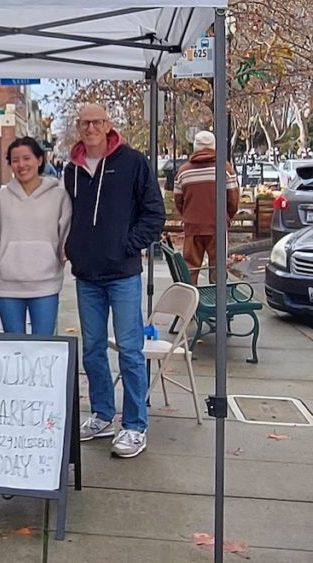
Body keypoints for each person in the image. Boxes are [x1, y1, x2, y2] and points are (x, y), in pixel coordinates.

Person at [64, 104, 164, 459]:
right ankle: (103, 414)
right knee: (92, 350)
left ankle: (135, 425)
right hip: (86, 276)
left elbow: (155, 213)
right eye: (84, 122)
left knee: (131, 352)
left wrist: (127, 244)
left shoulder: (133, 162)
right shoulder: (71, 170)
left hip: (122, 275)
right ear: (78, 128)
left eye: (97, 121)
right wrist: (74, 249)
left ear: (108, 125)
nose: (90, 127)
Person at [0, 137, 71, 336]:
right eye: (15, 160)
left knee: (43, 348)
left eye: (27, 158)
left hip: (45, 285)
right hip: (8, 287)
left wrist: (56, 261)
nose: (21, 165)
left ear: (39, 160)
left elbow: (65, 233)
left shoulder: (58, 196)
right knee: (14, 349)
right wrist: (2, 264)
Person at [174, 130, 239, 283]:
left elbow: (178, 201)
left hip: (192, 227)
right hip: (217, 226)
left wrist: (189, 215)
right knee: (218, 270)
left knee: (190, 269)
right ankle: (217, 302)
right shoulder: (225, 168)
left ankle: (191, 301)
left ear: (195, 147)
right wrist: (226, 217)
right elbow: (233, 200)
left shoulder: (183, 172)